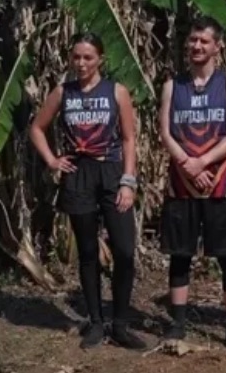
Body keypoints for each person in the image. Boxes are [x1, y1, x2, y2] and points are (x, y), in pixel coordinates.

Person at [29, 32, 146, 350]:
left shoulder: (116, 92)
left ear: (100, 60)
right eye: (76, 57)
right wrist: (52, 160)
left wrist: (128, 181)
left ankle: (120, 324)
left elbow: (128, 139)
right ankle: (95, 322)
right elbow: (37, 128)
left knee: (124, 250)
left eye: (88, 58)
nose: (81, 63)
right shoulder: (62, 92)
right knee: (88, 252)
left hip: (111, 172)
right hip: (78, 174)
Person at [157, 16, 226, 347]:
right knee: (180, 254)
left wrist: (202, 162)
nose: (196, 46)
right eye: (193, 40)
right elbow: (165, 133)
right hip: (182, 184)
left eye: (204, 41)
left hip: (221, 184)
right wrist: (188, 165)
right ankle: (178, 322)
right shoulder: (173, 86)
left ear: (217, 47)